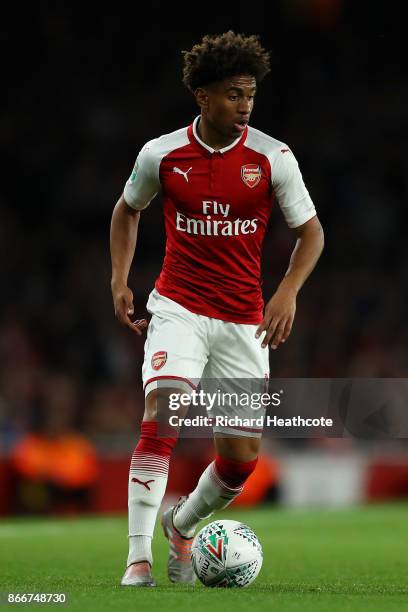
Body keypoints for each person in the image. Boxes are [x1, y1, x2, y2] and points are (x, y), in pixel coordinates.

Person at [110, 31, 324, 587]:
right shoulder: (161, 154)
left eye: (250, 94)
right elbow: (126, 211)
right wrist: (119, 279)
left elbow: (312, 234)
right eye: (233, 94)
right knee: (163, 414)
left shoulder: (272, 157)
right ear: (203, 98)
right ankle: (138, 561)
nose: (245, 105)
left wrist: (287, 290)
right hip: (178, 307)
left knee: (240, 460)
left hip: (243, 321)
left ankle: (181, 523)